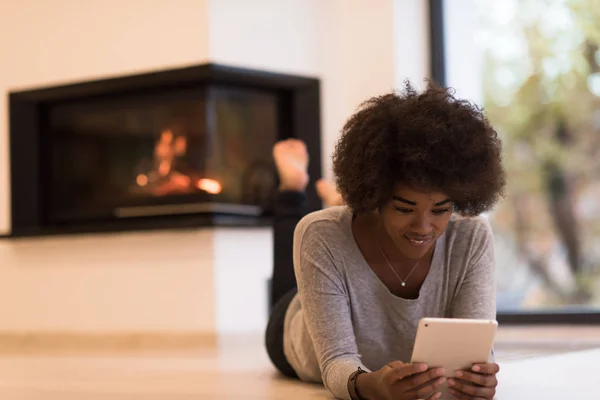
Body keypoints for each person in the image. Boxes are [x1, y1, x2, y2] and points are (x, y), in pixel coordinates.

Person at [265, 82, 506, 400]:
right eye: (404, 208)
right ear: (376, 197)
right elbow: (336, 362)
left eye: (440, 209)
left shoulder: (470, 236)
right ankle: (293, 188)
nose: (423, 226)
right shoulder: (321, 235)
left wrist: (478, 377)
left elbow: (475, 350)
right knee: (304, 248)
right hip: (296, 333)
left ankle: (338, 201)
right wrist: (370, 387)